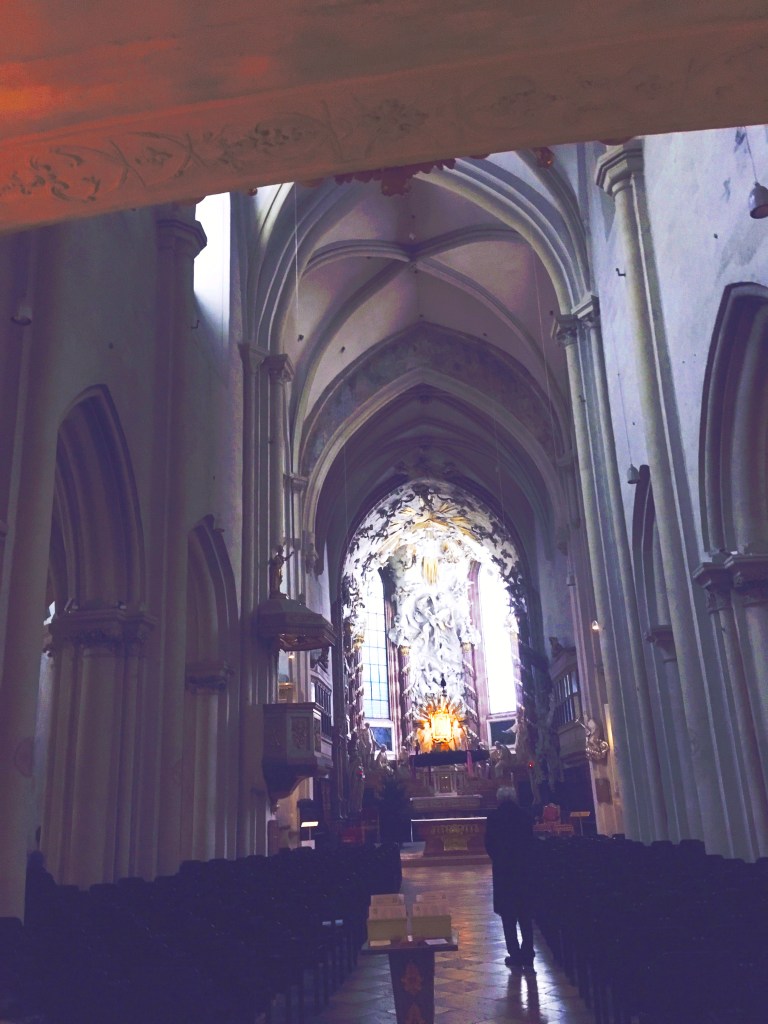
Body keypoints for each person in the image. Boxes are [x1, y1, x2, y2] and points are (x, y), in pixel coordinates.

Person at [484, 785, 536, 970]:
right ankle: (528, 952)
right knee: (525, 915)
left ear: (499, 799)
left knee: (508, 916)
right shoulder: (525, 816)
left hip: (504, 872)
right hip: (523, 870)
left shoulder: (494, 817)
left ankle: (514, 953)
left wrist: (499, 859)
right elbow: (531, 842)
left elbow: (489, 844)